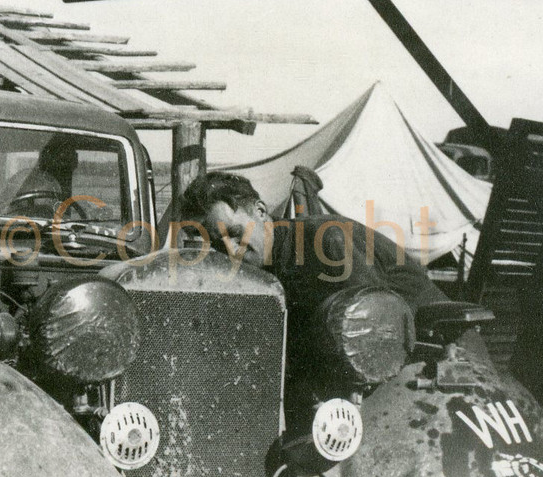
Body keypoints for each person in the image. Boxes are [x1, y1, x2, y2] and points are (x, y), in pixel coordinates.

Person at [178, 171, 455, 421]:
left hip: (440, 357)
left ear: (261, 212)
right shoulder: (262, 269)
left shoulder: (325, 242)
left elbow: (376, 332)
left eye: (236, 234)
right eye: (217, 243)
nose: (231, 249)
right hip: (384, 365)